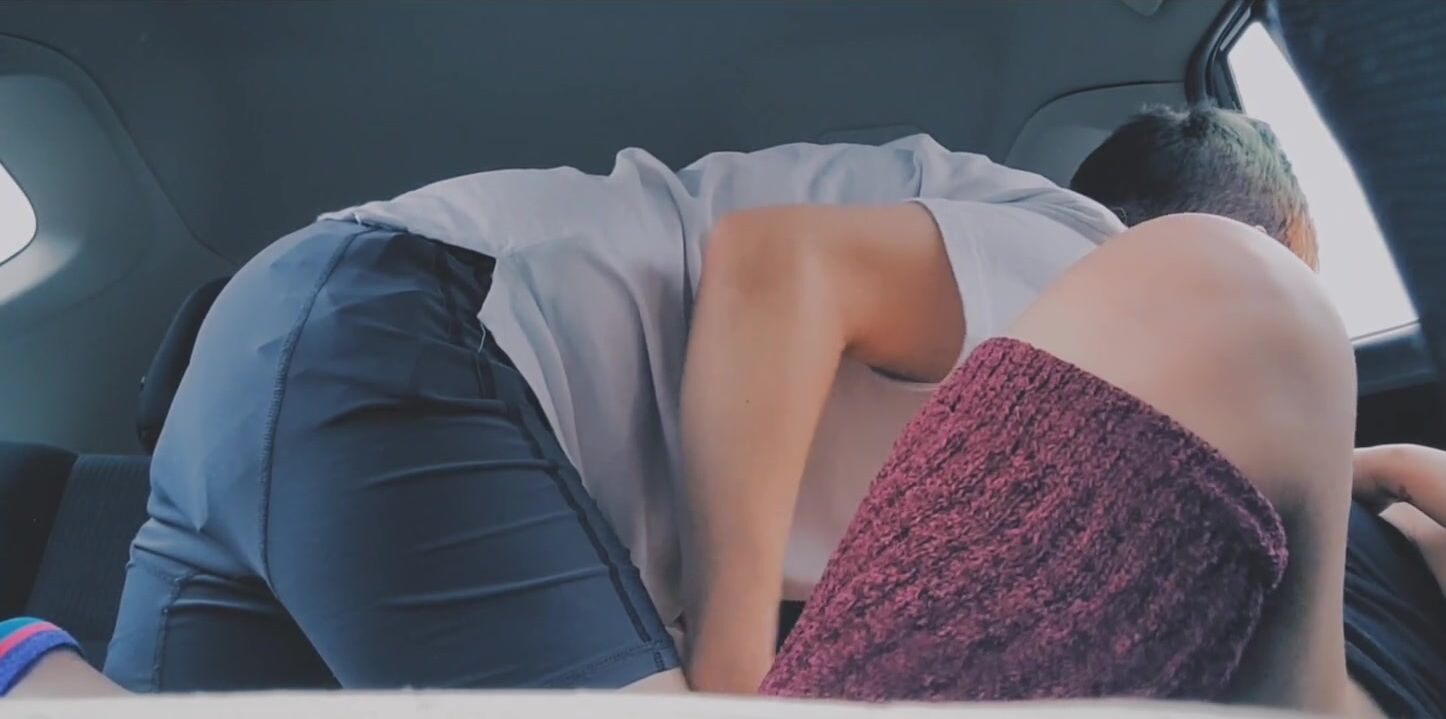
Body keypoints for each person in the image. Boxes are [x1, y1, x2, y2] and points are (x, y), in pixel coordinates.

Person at [0, 105, 1403, 710]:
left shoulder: (1007, 300)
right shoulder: (1093, 262)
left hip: (275, 366)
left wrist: (1363, 476)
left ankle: (29, 669)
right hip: (411, 338)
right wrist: (732, 682)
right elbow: (772, 268)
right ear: (1257, 246)